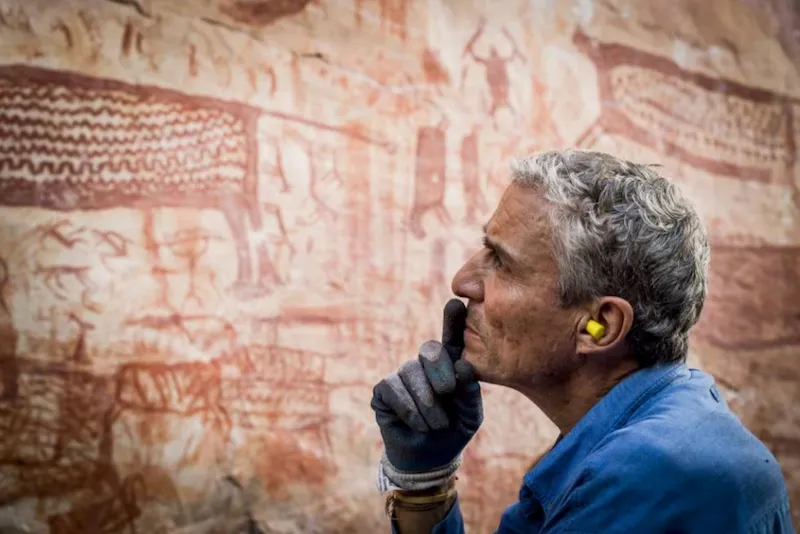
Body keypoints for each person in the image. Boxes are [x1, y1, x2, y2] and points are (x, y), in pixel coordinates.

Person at [370, 149, 795, 533]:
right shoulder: (663, 421)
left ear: (600, 325)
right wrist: (426, 483)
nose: (462, 282)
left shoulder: (650, 473)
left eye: (501, 262)